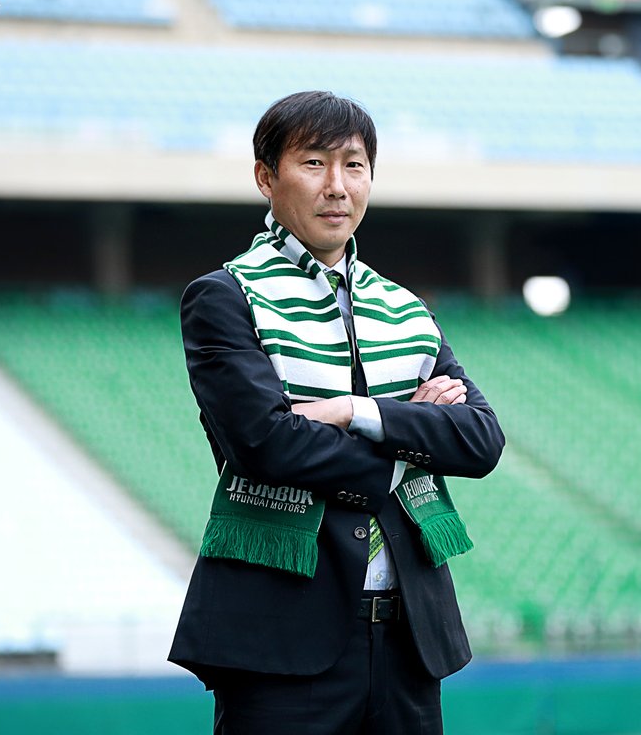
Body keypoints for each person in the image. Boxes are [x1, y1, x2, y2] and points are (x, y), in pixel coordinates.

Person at [168, 90, 505, 735]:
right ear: (266, 177)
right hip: (281, 640)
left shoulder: (402, 306)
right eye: (313, 163)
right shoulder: (225, 296)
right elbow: (267, 444)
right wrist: (409, 434)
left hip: (409, 638)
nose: (337, 186)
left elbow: (481, 441)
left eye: (353, 165)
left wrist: (357, 412)